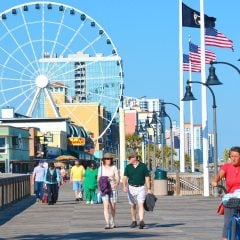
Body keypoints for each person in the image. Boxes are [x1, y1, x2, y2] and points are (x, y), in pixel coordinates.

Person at [212, 146, 240, 240]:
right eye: (231, 156)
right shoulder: (227, 166)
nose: (233, 158)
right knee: (227, 222)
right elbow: (220, 175)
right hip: (231, 198)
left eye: (236, 156)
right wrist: (215, 181)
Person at [122, 150, 152, 229]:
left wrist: (148, 188)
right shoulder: (128, 167)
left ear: (135, 157)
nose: (129, 159)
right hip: (131, 187)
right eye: (129, 158)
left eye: (130, 158)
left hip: (141, 187)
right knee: (132, 205)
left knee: (140, 204)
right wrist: (124, 186)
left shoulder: (143, 166)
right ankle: (134, 220)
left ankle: (141, 221)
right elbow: (125, 178)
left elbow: (147, 178)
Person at [98, 152, 120, 229]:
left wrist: (115, 182)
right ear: (104, 160)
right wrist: (102, 183)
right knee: (106, 206)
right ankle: (107, 223)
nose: (108, 160)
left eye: (110, 159)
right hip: (104, 189)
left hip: (113, 188)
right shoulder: (101, 168)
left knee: (113, 207)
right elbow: (98, 178)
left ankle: (112, 221)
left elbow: (117, 177)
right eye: (107, 159)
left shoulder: (114, 167)